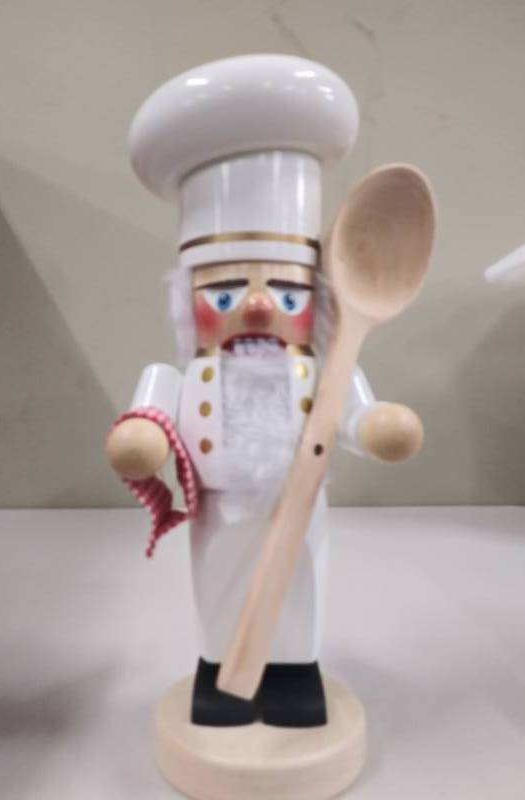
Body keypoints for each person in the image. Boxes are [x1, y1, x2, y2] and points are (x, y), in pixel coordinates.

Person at [106, 54, 423, 728]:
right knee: (217, 588)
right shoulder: (185, 373)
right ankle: (218, 669)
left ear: (317, 301)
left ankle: (293, 672)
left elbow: (360, 416)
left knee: (302, 586)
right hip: (219, 513)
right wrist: (141, 438)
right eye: (224, 294)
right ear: (186, 304)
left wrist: (378, 425)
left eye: (285, 293)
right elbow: (146, 421)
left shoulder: (326, 372)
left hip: (302, 510)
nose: (256, 307)